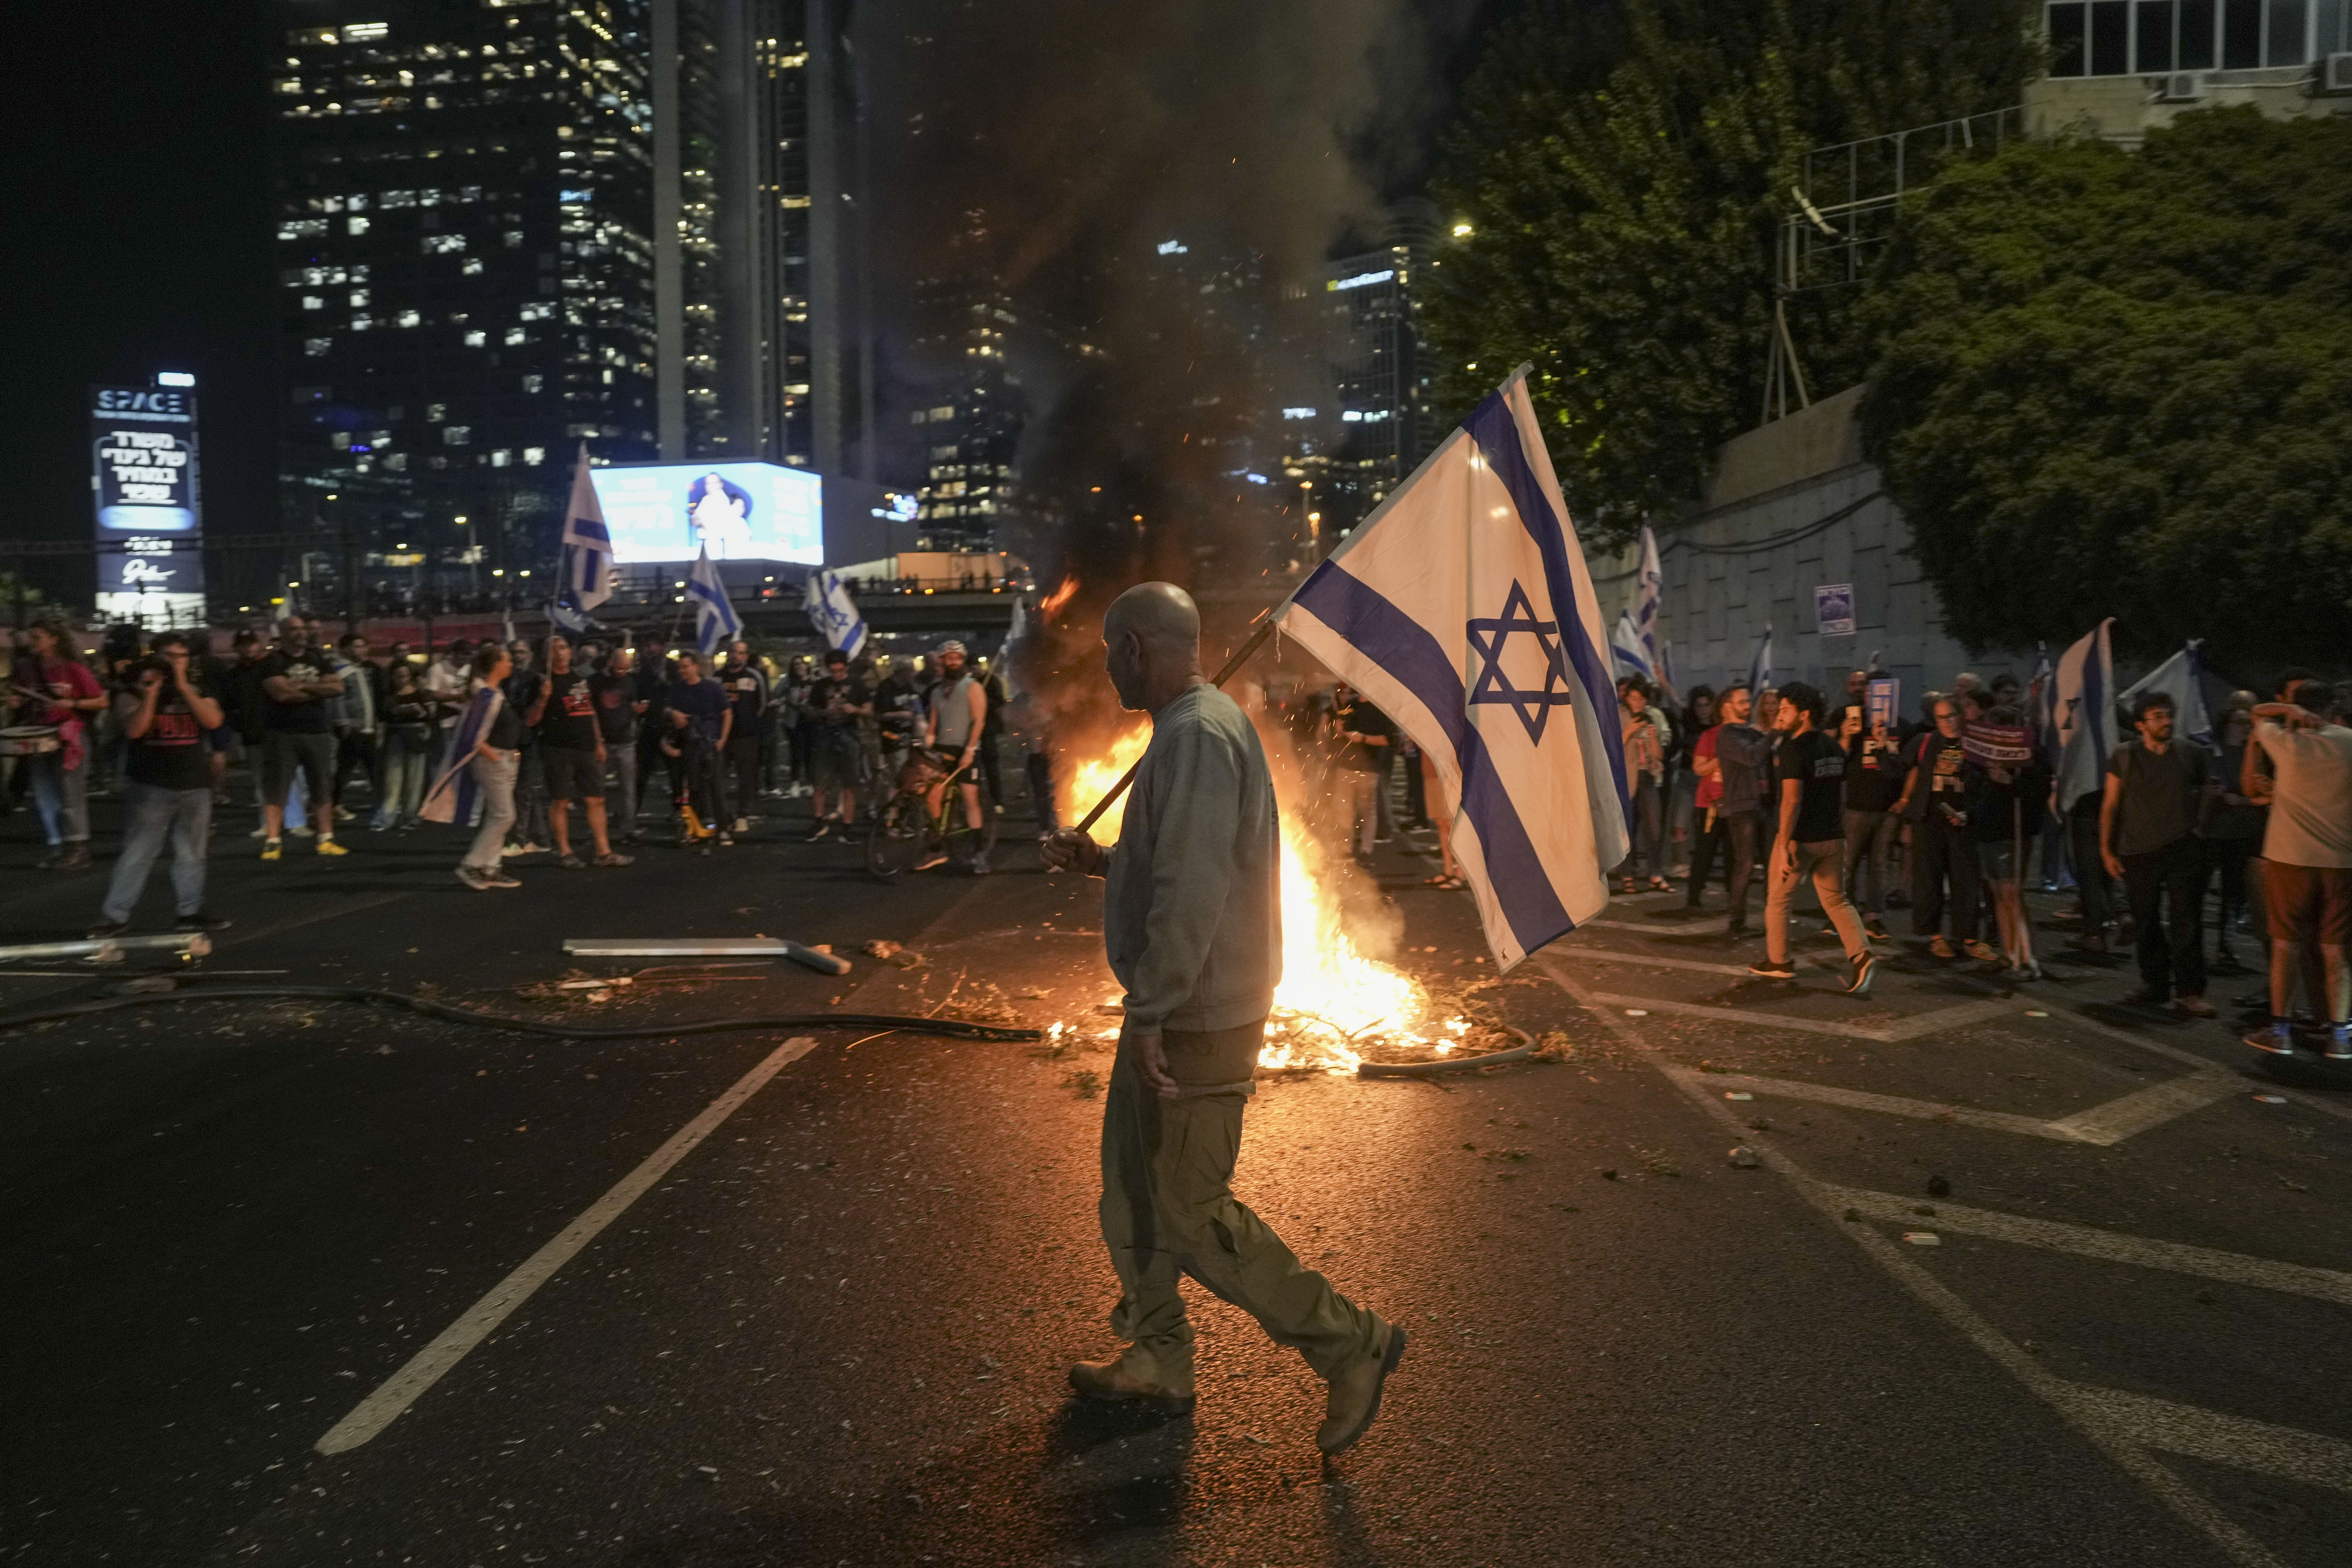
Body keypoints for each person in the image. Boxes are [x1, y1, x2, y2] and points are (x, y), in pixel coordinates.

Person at [1040, 583, 1402, 1455]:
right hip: (1177, 1005)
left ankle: (1349, 1341)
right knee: (1132, 1184)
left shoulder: (1198, 734)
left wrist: (1156, 1010)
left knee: (1189, 1209)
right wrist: (1099, 860)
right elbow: (1167, 856)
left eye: (1109, 651)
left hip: (1202, 1010)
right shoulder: (1185, 728)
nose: (1105, 666)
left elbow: (1193, 889)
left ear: (1136, 647)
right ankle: (1158, 1355)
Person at [89, 632, 230, 936]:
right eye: (169, 657)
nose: (176, 663)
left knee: (192, 853)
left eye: (182, 657)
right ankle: (116, 916)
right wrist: (152, 694)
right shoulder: (132, 692)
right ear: (154, 657)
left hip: (195, 783)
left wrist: (182, 686)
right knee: (139, 852)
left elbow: (213, 721)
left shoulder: (198, 688)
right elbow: (136, 730)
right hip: (151, 784)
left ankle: (190, 912)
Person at [2241, 686, 2352, 1057]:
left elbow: (2257, 714)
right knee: (2336, 951)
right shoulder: (2349, 743)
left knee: (2286, 947)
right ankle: (2339, 1036)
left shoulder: (2287, 742)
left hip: (2290, 859)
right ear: (2333, 708)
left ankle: (2281, 1031)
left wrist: (2286, 710)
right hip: (2341, 862)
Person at [1747, 682, 1876, 993]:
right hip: (1833, 836)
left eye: (1786, 709)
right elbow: (1839, 793)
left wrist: (1784, 843)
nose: (1780, 714)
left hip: (1802, 839)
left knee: (1778, 901)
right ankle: (1862, 956)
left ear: (1804, 715)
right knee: (1836, 900)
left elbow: (1792, 800)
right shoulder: (1833, 746)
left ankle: (1779, 962)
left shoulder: (1793, 749)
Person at [2099, 690, 2217, 1018]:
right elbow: (2109, 806)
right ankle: (2154, 984)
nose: (2166, 722)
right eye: (2158, 717)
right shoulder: (2124, 756)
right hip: (2137, 849)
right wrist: (2106, 850)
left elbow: (2209, 787)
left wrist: (2200, 825)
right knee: (2146, 920)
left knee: (2187, 921)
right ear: (2140, 725)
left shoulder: (2192, 753)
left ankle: (2190, 992)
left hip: (2183, 846)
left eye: (2168, 716)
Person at [1961, 704, 2050, 979]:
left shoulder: (2032, 757)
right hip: (1989, 830)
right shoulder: (1979, 759)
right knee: (1998, 894)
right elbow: (1977, 792)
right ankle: (2009, 952)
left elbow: (2038, 794)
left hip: (2014, 831)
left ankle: (2027, 959)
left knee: (2013, 894)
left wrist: (2009, 781)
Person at [528, 633, 632, 868]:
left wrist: (598, 742)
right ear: (547, 655)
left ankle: (603, 852)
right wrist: (543, 699)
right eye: (555, 649)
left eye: (564, 647)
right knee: (561, 801)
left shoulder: (579, 677)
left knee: (596, 800)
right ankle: (565, 852)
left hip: (586, 748)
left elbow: (590, 711)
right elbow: (531, 721)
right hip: (558, 748)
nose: (561, 652)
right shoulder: (542, 681)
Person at [11, 615, 106, 870]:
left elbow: (100, 701)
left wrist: (73, 704)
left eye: (37, 638)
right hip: (38, 736)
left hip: (69, 735)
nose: (32, 643)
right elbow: (23, 697)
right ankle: (58, 845)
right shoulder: (27, 668)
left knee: (71, 794)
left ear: (54, 640)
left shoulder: (74, 669)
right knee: (44, 795)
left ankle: (78, 848)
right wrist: (18, 703)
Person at [1893, 695, 1984, 960]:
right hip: (1929, 821)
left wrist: (1969, 813)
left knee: (1965, 881)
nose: (1947, 722)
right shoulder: (1925, 742)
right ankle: (1934, 936)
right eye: (1941, 717)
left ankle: (1968, 937)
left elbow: (1986, 787)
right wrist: (1884, 747)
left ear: (1961, 716)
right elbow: (1899, 768)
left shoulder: (1974, 744)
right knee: (1929, 881)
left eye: (1951, 716)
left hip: (1964, 822)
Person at [426, 645, 524, 891]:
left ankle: (490, 868)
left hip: (505, 760)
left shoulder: (492, 693)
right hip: (494, 762)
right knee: (505, 816)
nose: (511, 665)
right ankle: (472, 864)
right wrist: (495, 757)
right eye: (507, 661)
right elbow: (472, 736)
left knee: (497, 815)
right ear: (496, 665)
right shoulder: (484, 695)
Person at [255, 621, 348, 861]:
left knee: (321, 785)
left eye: (303, 629)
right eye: (295, 630)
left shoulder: (319, 658)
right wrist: (319, 689)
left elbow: (338, 687)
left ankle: (326, 839)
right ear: (283, 634)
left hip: (317, 731)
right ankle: (273, 841)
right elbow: (282, 694)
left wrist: (304, 685)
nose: (301, 634)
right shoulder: (272, 662)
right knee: (278, 787)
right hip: (282, 732)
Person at [1686, 683, 1768, 934]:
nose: (1748, 706)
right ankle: (1694, 897)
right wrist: (1724, 757)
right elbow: (1699, 768)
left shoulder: (1747, 734)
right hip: (1712, 801)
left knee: (1738, 856)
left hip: (1737, 802)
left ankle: (1735, 904)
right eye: (1742, 702)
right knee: (1706, 850)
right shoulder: (1712, 736)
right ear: (1726, 707)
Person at [918, 640, 992, 872]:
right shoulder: (937, 691)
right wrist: (928, 738)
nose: (953, 662)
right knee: (932, 797)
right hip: (942, 750)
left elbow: (979, 720)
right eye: (948, 658)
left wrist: (970, 750)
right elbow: (934, 720)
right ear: (942, 661)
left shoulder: (973, 687)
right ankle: (937, 848)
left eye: (957, 658)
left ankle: (980, 854)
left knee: (971, 800)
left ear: (963, 660)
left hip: (965, 750)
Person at [2205, 704, 2265, 973]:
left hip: (2243, 833)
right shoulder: (2214, 753)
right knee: (2201, 890)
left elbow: (2264, 792)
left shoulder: (2256, 755)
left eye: (2247, 723)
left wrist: (2243, 800)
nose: (2244, 727)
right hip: (2214, 832)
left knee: (2233, 894)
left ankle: (2224, 945)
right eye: (2239, 721)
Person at [1839, 701, 1903, 942]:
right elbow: (1838, 761)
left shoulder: (1902, 727)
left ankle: (1873, 916)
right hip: (1857, 806)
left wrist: (1884, 743)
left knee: (1879, 864)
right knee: (1848, 862)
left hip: (1888, 807)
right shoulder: (1855, 725)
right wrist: (1846, 736)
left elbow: (1903, 768)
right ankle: (1843, 913)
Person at [663, 649, 733, 844]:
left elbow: (727, 713)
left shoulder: (712, 688)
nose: (683, 671)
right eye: (681, 667)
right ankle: (695, 828)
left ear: (696, 667)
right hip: (689, 743)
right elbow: (666, 710)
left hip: (710, 742)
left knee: (716, 788)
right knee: (692, 788)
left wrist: (723, 740)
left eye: (686, 667)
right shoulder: (677, 690)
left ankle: (722, 828)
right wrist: (673, 713)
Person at [804, 649, 869, 839]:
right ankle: (818, 822)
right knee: (819, 782)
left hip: (849, 735)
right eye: (833, 671)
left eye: (840, 670)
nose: (837, 675)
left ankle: (848, 826)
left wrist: (854, 709)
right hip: (825, 735)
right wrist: (824, 712)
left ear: (846, 667)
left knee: (849, 784)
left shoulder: (857, 684)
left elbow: (869, 709)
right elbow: (809, 710)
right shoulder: (820, 685)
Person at [1332, 680, 1395, 862]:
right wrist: (1340, 729)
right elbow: (1342, 725)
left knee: (1367, 812)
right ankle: (1345, 849)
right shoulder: (1351, 704)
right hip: (1346, 766)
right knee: (1344, 810)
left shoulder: (1381, 709)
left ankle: (1366, 850)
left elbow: (1388, 740)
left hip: (1369, 769)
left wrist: (1364, 739)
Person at [591, 646, 648, 844]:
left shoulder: (630, 681)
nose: (622, 673)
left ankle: (629, 829)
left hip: (625, 740)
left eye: (626, 669)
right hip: (603, 741)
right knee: (596, 788)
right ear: (611, 662)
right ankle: (598, 828)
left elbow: (631, 703)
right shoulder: (596, 682)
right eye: (620, 668)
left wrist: (638, 710)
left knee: (628, 788)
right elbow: (591, 710)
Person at [1615, 679, 1669, 893]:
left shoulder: (1653, 716)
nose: (1638, 703)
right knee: (1627, 829)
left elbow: (1659, 755)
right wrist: (1628, 732)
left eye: (1642, 699)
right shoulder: (1619, 716)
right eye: (1634, 698)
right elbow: (1612, 749)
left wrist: (1654, 738)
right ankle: (1627, 875)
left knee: (1654, 829)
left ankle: (1655, 873)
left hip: (1648, 777)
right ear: (1627, 698)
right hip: (1627, 778)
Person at [373, 660, 435, 830]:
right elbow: (382, 715)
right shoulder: (387, 695)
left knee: (415, 780)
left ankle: (410, 816)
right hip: (396, 736)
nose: (403, 680)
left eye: (406, 676)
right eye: (399, 677)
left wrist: (419, 711)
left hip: (416, 735)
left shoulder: (420, 694)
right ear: (392, 677)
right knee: (393, 779)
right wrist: (396, 712)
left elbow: (430, 715)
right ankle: (387, 817)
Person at [716, 639, 768, 834]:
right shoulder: (718, 677)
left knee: (745, 778)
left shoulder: (755, 676)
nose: (736, 656)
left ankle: (742, 815)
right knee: (718, 776)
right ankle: (723, 815)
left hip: (746, 736)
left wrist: (751, 723)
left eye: (741, 653)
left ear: (746, 656)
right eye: (733, 652)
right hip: (722, 736)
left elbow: (762, 704)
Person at [1666, 686, 1715, 879]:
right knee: (1680, 823)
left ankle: (1703, 865)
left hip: (1709, 780)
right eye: (1699, 705)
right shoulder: (1689, 722)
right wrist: (1663, 681)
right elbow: (1674, 702)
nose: (1703, 709)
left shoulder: (1717, 727)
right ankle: (1681, 864)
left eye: (1707, 705)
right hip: (1687, 778)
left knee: (1707, 827)